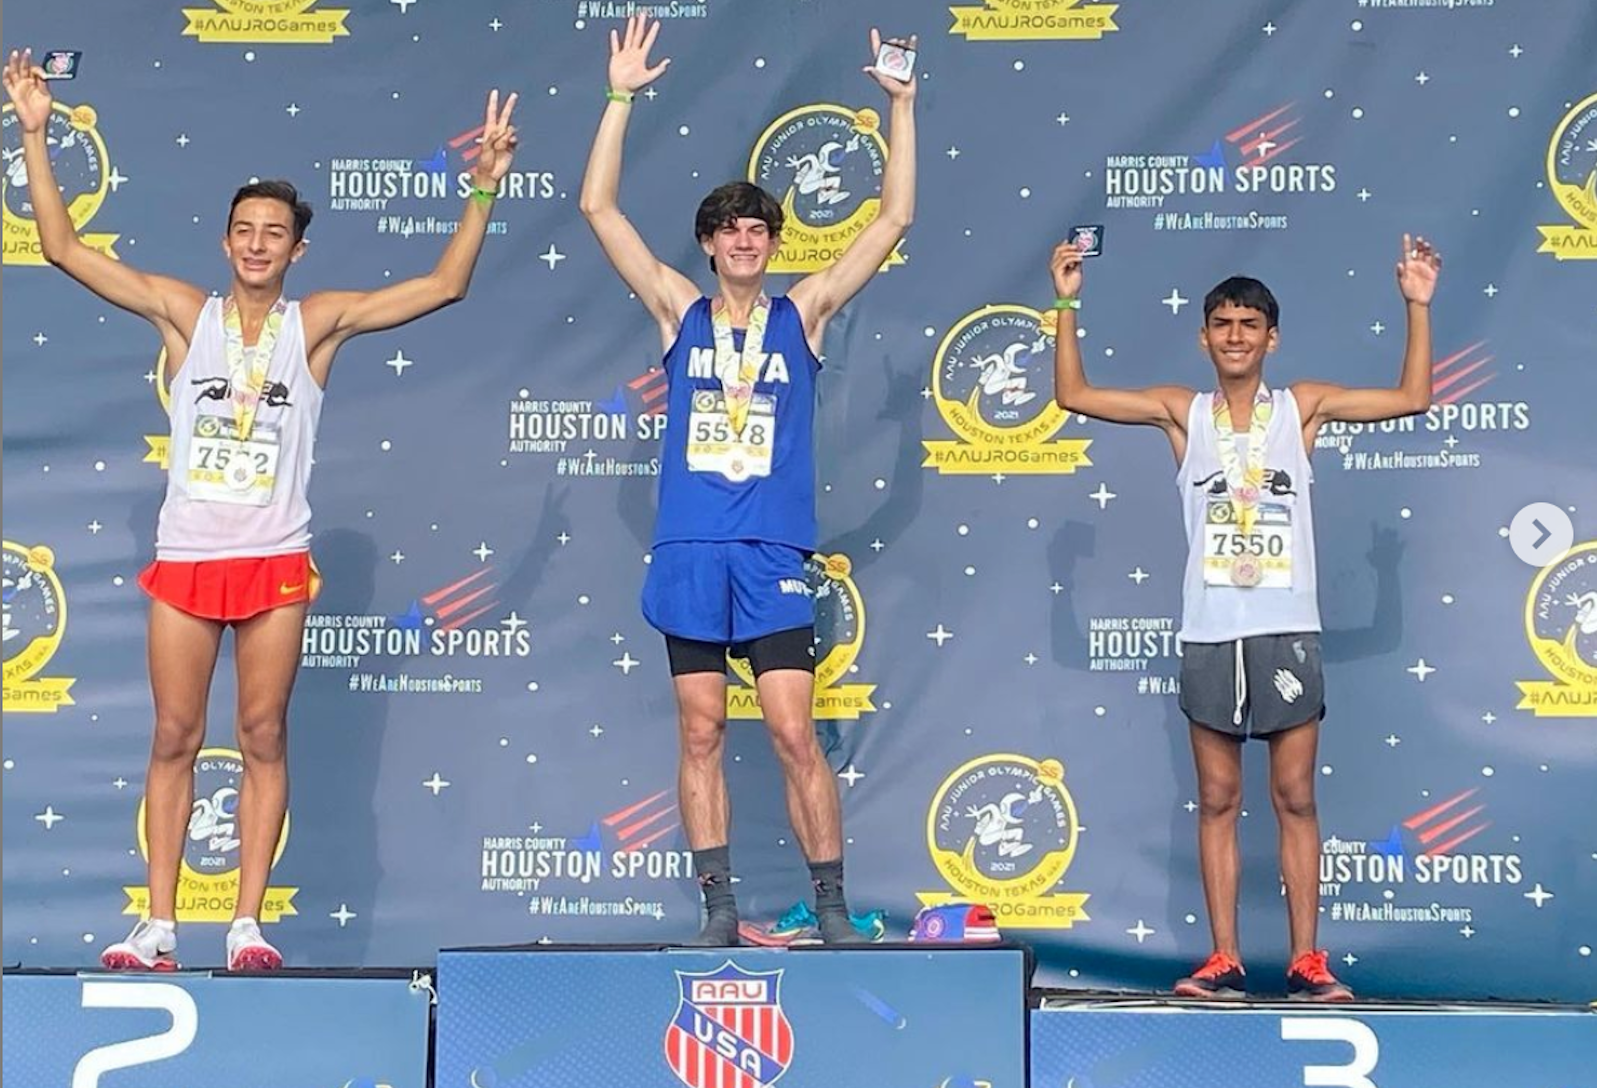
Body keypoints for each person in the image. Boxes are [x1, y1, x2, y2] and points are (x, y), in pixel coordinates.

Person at [4, 49, 519, 970]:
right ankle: (159, 925)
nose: (256, 245)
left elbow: (444, 287)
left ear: (295, 250)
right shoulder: (181, 314)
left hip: (274, 556)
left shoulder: (313, 324)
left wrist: (482, 187)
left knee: (263, 734)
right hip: (186, 558)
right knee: (174, 734)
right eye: (243, 230)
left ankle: (246, 923)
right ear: (225, 241)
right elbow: (63, 249)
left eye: (273, 233)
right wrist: (36, 133)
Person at [579, 15, 916, 944]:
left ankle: (832, 905)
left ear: (772, 242)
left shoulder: (803, 314)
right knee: (699, 732)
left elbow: (892, 221)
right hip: (692, 549)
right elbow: (599, 209)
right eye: (729, 229)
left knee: (794, 733)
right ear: (708, 243)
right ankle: (719, 910)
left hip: (770, 552)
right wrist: (618, 98)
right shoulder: (677, 311)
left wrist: (900, 108)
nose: (744, 239)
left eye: (758, 228)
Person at [1050, 232, 1443, 999]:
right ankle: (1224, 957)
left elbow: (1411, 398)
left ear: (1272, 338)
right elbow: (1074, 395)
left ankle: (1307, 960)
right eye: (1223, 324)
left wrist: (1417, 305)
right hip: (1208, 631)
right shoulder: (1181, 413)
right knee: (1218, 799)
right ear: (1204, 337)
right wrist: (1065, 302)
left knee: (1295, 797)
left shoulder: (1303, 407)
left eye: (1249, 325)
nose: (1236, 336)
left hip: (1286, 629)